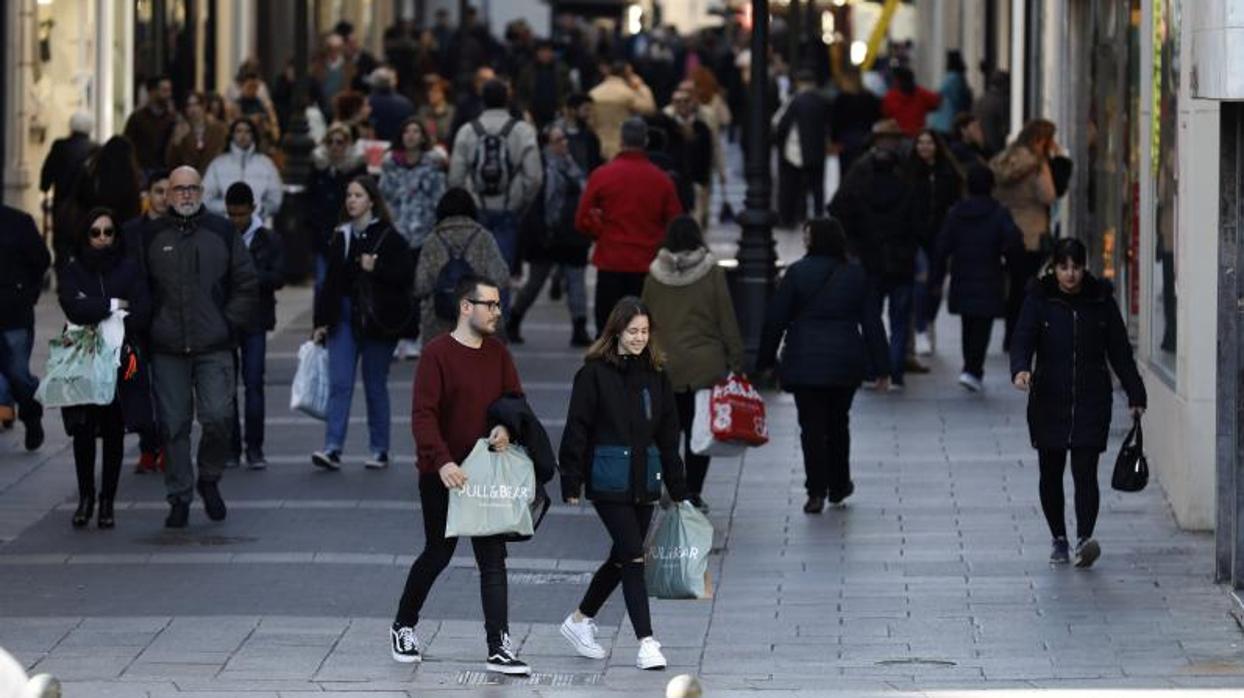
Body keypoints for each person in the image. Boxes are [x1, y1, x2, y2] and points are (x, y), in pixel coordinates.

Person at [393, 274, 530, 676]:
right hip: (444, 474)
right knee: (439, 552)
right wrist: (442, 461)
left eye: (499, 305)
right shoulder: (436, 354)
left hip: (485, 472)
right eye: (490, 305)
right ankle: (403, 624)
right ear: (466, 307)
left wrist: (507, 429)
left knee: (492, 557)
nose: (497, 312)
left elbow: (515, 401)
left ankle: (499, 646)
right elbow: (423, 415)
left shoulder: (499, 354)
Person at [557, 296, 688, 672]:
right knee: (633, 555)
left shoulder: (657, 373)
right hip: (608, 478)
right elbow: (577, 426)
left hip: (645, 479)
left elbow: (668, 433)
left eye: (645, 331)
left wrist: (678, 488)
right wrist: (572, 478)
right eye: (633, 331)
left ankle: (580, 621)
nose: (639, 338)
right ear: (616, 331)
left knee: (620, 556)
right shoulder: (594, 373)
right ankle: (647, 642)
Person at [1010, 238, 1147, 568]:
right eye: (1064, 267)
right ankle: (1059, 537)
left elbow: (1119, 351)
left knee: (1086, 472)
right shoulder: (1039, 298)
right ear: (1054, 268)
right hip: (1049, 399)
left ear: (1085, 267)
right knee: (1051, 471)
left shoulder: (1100, 301)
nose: (1070, 275)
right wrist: (1021, 369)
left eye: (1076, 267)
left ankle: (1085, 538)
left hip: (1090, 399)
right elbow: (1023, 337)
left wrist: (1135, 393)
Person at [144, 166, 259, 528]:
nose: (187, 195)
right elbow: (140, 288)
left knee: (218, 417)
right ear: (167, 195)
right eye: (179, 189)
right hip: (167, 347)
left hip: (214, 345)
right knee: (174, 425)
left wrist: (228, 322)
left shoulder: (221, 231)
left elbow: (246, 280)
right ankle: (179, 495)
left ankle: (209, 477)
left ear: (202, 191)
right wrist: (148, 326)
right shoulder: (150, 235)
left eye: (193, 188)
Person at [756, 218, 889, 513]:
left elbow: (776, 318)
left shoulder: (797, 273)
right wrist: (882, 367)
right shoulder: (855, 275)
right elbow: (872, 322)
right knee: (838, 423)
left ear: (813, 241)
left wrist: (765, 361)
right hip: (845, 361)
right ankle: (839, 485)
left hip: (804, 361)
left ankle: (815, 490)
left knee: (811, 427)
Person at [640, 216, 743, 512]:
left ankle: (670, 485)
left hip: (664, 364)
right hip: (703, 366)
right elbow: (726, 317)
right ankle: (692, 492)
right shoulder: (710, 272)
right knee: (699, 434)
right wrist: (737, 359)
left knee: (667, 433)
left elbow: (643, 318)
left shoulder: (654, 275)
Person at [311, 176, 413, 471]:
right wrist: (321, 322)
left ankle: (380, 449)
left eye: (357, 195)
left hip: (377, 320)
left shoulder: (388, 236)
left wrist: (376, 266)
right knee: (340, 383)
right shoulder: (340, 235)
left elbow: (406, 276)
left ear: (371, 200)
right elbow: (328, 283)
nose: (351, 200)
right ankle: (332, 448)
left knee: (374, 385)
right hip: (343, 316)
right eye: (348, 195)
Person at [56, 208, 151, 529]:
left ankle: (107, 501)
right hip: (82, 359)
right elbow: (72, 305)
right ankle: (86, 498)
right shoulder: (73, 269)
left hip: (118, 359)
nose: (101, 238)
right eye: (95, 232)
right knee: (82, 430)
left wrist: (95, 306)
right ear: (86, 235)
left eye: (108, 232)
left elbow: (141, 311)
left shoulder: (128, 268)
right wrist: (113, 305)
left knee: (113, 430)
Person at [829, 119, 915, 390]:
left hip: (871, 256)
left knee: (872, 315)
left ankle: (873, 368)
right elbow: (918, 216)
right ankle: (894, 370)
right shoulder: (906, 175)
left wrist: (853, 242)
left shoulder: (859, 174)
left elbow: (839, 208)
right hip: (899, 256)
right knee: (897, 319)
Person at [576, 118, 682, 336]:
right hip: (647, 264)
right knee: (641, 333)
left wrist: (599, 232)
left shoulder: (602, 175)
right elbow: (676, 223)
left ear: (621, 140)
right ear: (645, 141)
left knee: (607, 330)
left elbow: (581, 219)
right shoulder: (661, 180)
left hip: (611, 260)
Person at [928, 166, 1023, 391]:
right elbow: (1013, 243)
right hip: (990, 275)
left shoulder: (956, 213)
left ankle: (970, 368)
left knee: (968, 323)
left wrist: (936, 279)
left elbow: (942, 248)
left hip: (963, 274)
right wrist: (1014, 269)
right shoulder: (999, 213)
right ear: (991, 186)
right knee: (983, 324)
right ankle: (973, 368)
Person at [507, 124, 592, 347]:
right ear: (545, 145)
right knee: (534, 283)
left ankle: (579, 328)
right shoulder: (540, 170)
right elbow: (534, 205)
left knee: (576, 283)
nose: (564, 144)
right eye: (557, 140)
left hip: (572, 235)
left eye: (564, 139)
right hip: (546, 236)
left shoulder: (574, 166)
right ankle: (514, 320)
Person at [448, 79, 542, 273]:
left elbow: (455, 177)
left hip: (476, 208)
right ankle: (501, 303)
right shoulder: (522, 131)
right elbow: (534, 178)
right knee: (501, 271)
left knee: (475, 271)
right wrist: (522, 202)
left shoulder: (467, 131)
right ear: (508, 99)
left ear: (482, 100)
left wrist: (466, 204)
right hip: (509, 207)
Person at [224, 183, 284, 468]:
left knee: (253, 384)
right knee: (227, 388)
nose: (236, 220)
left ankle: (254, 448)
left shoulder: (267, 239)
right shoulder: (221, 236)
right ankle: (232, 447)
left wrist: (247, 275)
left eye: (240, 215)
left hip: (256, 319)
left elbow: (279, 276)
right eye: (231, 215)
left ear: (252, 209)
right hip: (227, 318)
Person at [379, 116, 447, 359]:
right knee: (397, 286)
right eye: (407, 131)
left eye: (416, 131)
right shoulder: (390, 164)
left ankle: (415, 334)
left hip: (424, 232)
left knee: (419, 287)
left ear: (422, 137)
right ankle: (399, 334)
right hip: (396, 233)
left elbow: (439, 197)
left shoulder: (432, 164)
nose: (411, 136)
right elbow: (383, 197)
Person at [992, 119, 1058, 350]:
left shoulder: (1005, 158)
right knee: (1027, 288)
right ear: (1041, 140)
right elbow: (1048, 196)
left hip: (1007, 228)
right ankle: (1021, 336)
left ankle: (1009, 336)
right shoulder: (1037, 164)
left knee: (1013, 287)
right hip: (1032, 232)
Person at [121, 169, 172, 474]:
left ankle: (164, 446)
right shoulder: (130, 232)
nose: (163, 197)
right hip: (137, 319)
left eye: (169, 191)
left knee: (165, 387)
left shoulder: (179, 230)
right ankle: (147, 445)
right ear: (147, 195)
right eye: (158, 191)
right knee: (137, 385)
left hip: (167, 318)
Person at [415, 189, 510, 343]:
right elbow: (501, 277)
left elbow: (421, 285)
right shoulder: (483, 238)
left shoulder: (432, 240)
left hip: (438, 324)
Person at [908, 129, 963, 359]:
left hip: (940, 237)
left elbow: (956, 204)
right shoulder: (908, 172)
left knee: (935, 285)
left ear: (936, 146)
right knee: (920, 282)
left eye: (929, 142)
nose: (924, 147)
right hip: (915, 236)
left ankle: (929, 322)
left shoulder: (948, 173)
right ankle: (920, 329)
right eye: (920, 143)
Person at [0, 203, 51, 451]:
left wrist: (27, 292)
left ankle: (31, 414)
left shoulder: (18, 222)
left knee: (18, 373)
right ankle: (5, 410)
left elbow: (41, 259)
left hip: (14, 313)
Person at [309, 123, 369, 285]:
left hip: (348, 231)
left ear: (348, 144)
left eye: (339, 142)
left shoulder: (356, 169)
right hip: (322, 232)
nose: (335, 146)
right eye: (331, 142)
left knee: (346, 284)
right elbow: (311, 198)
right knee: (321, 283)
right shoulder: (319, 167)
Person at [772, 70, 832, 228]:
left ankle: (800, 218)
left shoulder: (796, 101)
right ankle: (819, 218)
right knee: (818, 188)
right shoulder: (822, 100)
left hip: (798, 153)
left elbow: (783, 125)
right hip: (818, 151)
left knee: (799, 189)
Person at [202, 119, 284, 220]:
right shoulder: (218, 164)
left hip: (258, 225)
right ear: (232, 135)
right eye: (239, 131)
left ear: (253, 135)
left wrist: (261, 209)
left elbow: (275, 198)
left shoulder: (266, 164)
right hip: (225, 225)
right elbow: (205, 198)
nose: (243, 135)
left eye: (247, 131)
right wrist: (228, 208)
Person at [40, 112, 98, 249]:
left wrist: (44, 186)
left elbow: (47, 173)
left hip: (62, 204)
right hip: (86, 207)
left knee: (62, 244)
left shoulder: (60, 146)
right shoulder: (96, 149)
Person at [662, 89, 715, 230]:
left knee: (696, 220)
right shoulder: (667, 128)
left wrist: (704, 181)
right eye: (677, 102)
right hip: (674, 180)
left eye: (686, 101)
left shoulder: (701, 127)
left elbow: (707, 155)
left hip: (696, 180)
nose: (682, 105)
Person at [589, 61, 657, 160]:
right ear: (627, 74)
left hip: (598, 146)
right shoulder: (628, 93)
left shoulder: (593, 93)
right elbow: (649, 110)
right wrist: (641, 87)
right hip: (620, 146)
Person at [831, 68, 882, 175]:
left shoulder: (841, 99)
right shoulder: (869, 97)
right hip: (866, 138)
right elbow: (878, 116)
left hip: (846, 140)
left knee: (847, 172)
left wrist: (834, 140)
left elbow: (835, 122)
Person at [124, 76, 177, 177]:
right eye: (164, 90)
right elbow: (128, 145)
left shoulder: (172, 119)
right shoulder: (137, 118)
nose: (168, 95)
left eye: (169, 90)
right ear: (152, 92)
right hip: (142, 171)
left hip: (164, 171)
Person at [166, 92, 230, 174]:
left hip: (214, 175)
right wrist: (176, 141)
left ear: (203, 106)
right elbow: (171, 162)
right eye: (189, 105)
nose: (193, 109)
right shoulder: (181, 129)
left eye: (196, 104)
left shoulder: (219, 128)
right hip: (189, 178)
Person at [515, 40, 572, 130]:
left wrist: (564, 107)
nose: (546, 54)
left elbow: (568, 90)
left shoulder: (561, 70)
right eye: (542, 51)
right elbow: (521, 93)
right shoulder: (527, 71)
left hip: (556, 112)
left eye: (548, 51)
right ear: (537, 53)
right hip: (533, 113)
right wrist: (524, 111)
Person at [881, 67, 940, 138]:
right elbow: (936, 103)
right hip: (915, 137)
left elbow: (886, 115)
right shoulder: (921, 93)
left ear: (897, 80)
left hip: (899, 137)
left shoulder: (890, 97)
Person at [928, 51, 973, 135]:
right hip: (954, 118)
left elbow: (939, 94)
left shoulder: (951, 78)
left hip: (946, 121)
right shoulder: (960, 78)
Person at [367, 67, 416, 143]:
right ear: (393, 83)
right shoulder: (405, 103)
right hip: (399, 146)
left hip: (373, 147)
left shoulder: (367, 103)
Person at [558, 94, 604, 174]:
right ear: (573, 110)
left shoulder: (590, 136)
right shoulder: (556, 134)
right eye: (586, 110)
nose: (589, 114)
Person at [974, 71, 1012, 157]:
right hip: (997, 149)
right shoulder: (1004, 101)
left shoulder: (979, 101)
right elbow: (1008, 126)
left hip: (980, 148)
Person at [415, 75, 456, 148]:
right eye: (429, 92)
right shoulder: (423, 111)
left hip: (447, 148)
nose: (430, 94)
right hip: (426, 148)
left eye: (435, 92)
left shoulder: (452, 111)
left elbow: (450, 133)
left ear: (443, 94)